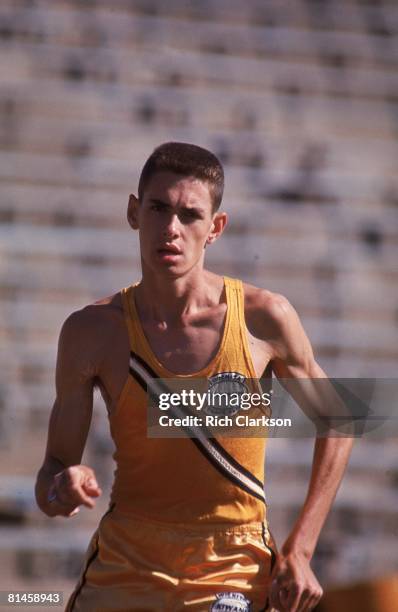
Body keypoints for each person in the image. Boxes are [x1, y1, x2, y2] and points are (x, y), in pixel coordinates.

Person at [35, 142, 353, 612]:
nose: (171, 229)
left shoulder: (262, 318)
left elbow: (339, 419)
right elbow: (51, 476)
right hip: (128, 560)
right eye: (158, 209)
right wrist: (62, 486)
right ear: (133, 212)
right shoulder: (90, 331)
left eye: (190, 215)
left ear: (215, 228)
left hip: (233, 564)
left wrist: (301, 549)